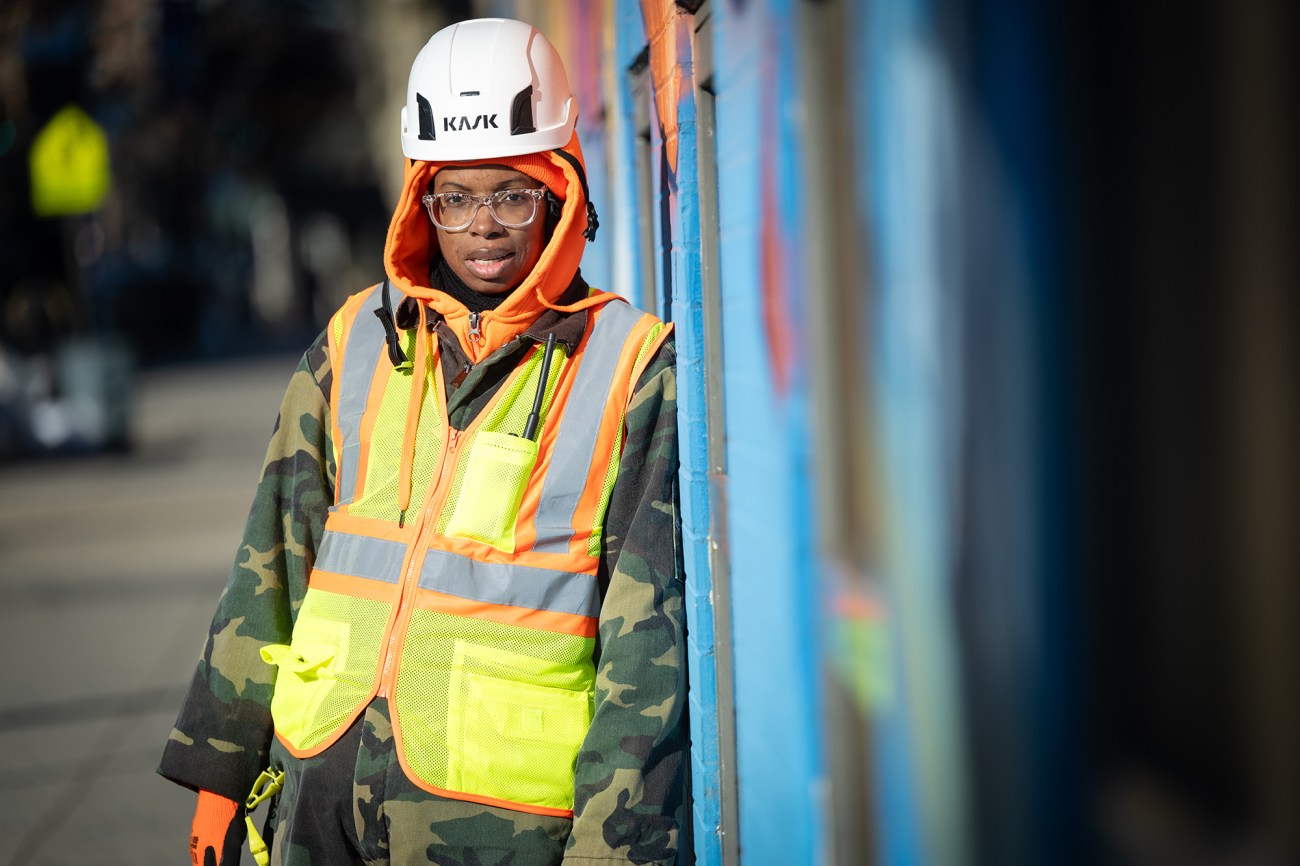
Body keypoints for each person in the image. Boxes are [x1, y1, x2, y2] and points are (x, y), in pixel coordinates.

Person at [158, 18, 686, 866]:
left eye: (511, 193)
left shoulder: (626, 367)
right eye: (457, 196)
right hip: (315, 800)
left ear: (559, 193)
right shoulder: (355, 340)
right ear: (422, 199)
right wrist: (222, 775)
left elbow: (647, 651)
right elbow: (272, 557)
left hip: (503, 833)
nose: (483, 225)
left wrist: (618, 850)